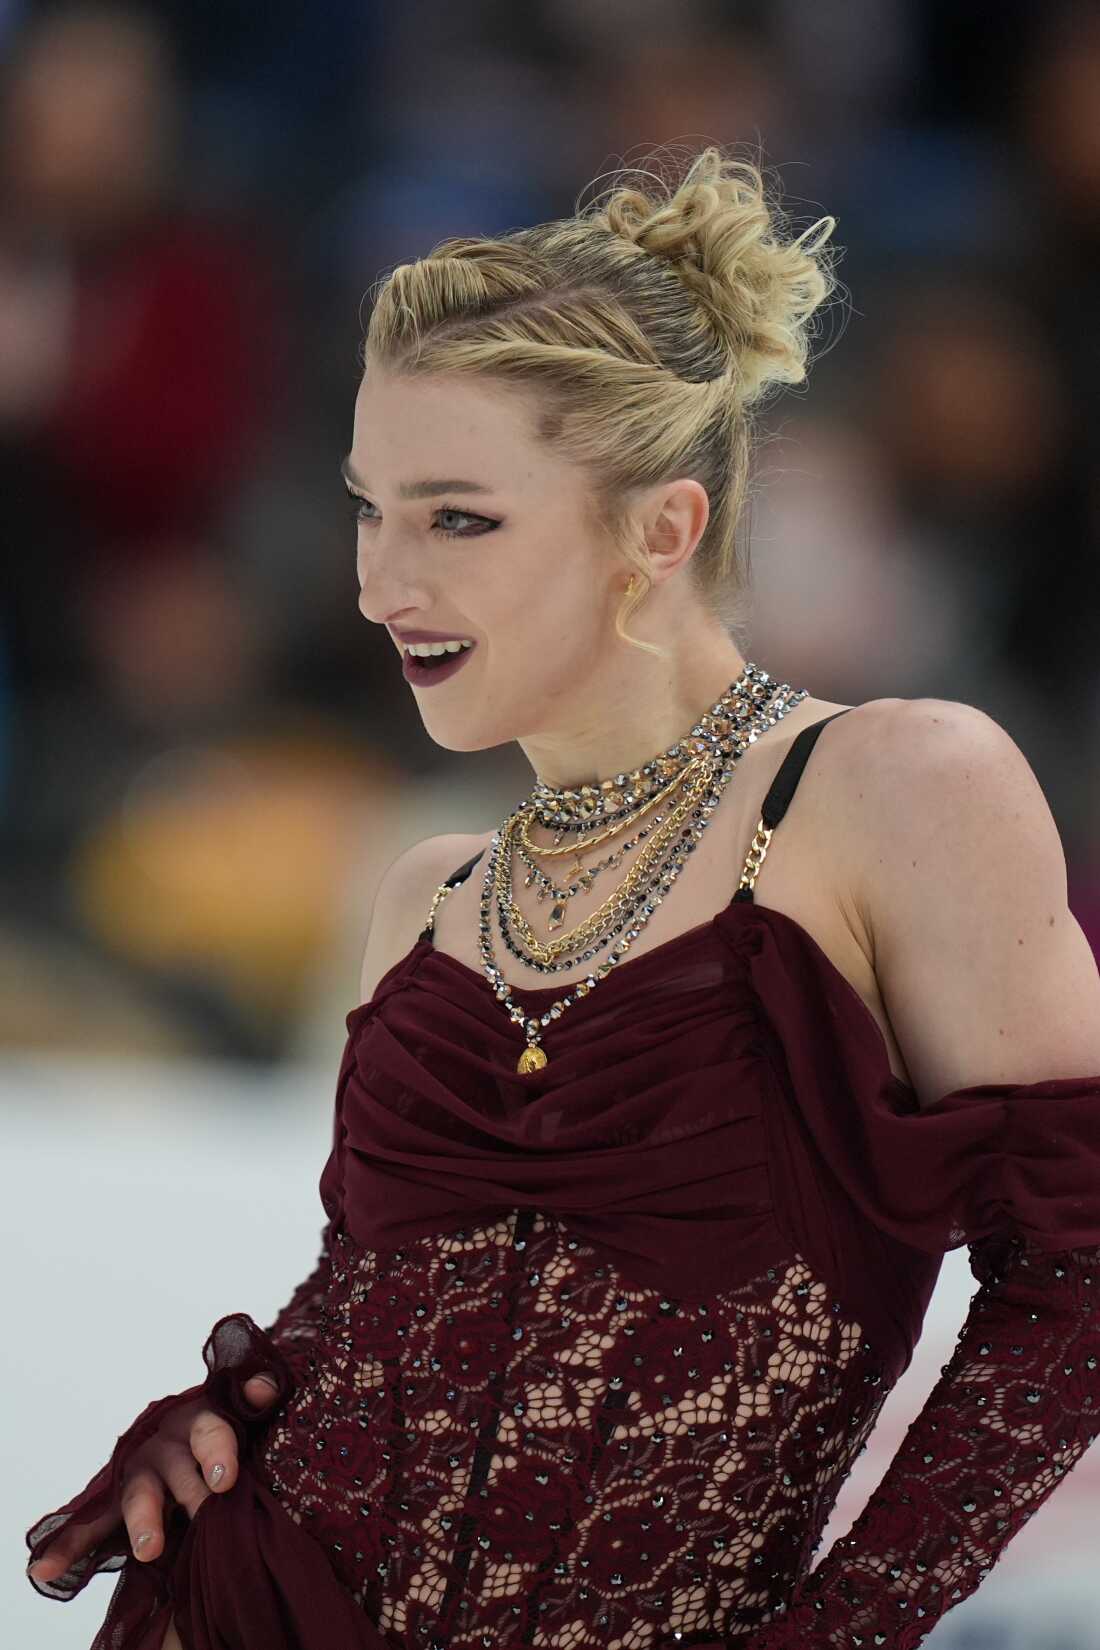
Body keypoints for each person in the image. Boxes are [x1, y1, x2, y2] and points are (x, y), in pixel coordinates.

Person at [24, 144, 1100, 1650]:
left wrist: (848, 1629)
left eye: (457, 518)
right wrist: (232, 1408)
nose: (381, 580)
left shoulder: (899, 788)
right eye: (366, 508)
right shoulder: (429, 898)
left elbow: (1076, 1271)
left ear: (659, 531)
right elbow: (388, 1314)